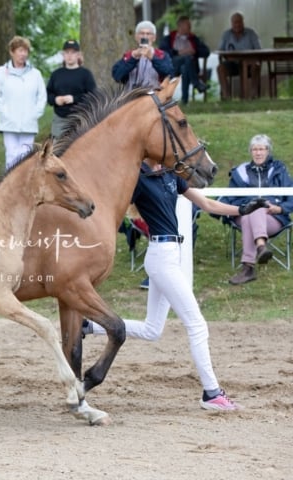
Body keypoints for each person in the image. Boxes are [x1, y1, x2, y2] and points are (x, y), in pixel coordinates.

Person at [83, 158, 268, 411]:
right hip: (161, 256)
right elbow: (114, 208)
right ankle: (212, 393)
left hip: (171, 254)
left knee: (152, 330)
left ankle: (88, 325)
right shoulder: (139, 178)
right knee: (197, 325)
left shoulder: (172, 175)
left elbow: (205, 203)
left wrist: (242, 210)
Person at [219, 134, 293, 285]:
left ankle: (248, 269)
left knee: (257, 209)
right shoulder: (240, 172)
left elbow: (291, 196)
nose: (258, 153)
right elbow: (231, 197)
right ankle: (260, 247)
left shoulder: (279, 170)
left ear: (268, 151)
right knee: (254, 209)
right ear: (250, 152)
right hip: (245, 213)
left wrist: (279, 209)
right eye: (255, 149)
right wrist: (247, 206)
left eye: (262, 149)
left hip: (273, 218)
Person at [0, 35, 47, 169]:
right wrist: (5, 112)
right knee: (11, 156)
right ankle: (9, 186)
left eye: (25, 51)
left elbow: (42, 97)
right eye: (20, 50)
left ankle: (25, 186)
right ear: (12, 52)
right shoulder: (1, 72)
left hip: (29, 123)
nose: (23, 54)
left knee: (26, 156)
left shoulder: (35, 74)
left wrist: (35, 114)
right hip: (9, 123)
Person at [46, 39, 97, 138]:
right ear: (63, 55)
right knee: (57, 151)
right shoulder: (56, 74)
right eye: (67, 52)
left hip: (80, 119)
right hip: (59, 120)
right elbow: (48, 94)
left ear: (78, 55)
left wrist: (74, 99)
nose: (69, 55)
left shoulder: (86, 74)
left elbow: (93, 96)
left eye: (73, 52)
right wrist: (56, 100)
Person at [159, 15, 210, 105]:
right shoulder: (170, 38)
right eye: (188, 25)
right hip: (173, 67)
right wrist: (179, 52)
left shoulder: (193, 38)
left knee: (185, 68)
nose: (190, 27)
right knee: (186, 58)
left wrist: (195, 51)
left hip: (191, 68)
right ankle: (197, 83)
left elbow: (206, 52)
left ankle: (185, 101)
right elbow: (163, 52)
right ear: (180, 26)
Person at [112, 20, 174, 91]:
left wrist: (152, 58)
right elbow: (117, 76)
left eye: (148, 34)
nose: (145, 36)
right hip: (131, 96)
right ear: (136, 37)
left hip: (154, 97)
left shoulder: (161, 55)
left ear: (154, 38)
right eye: (142, 33)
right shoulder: (129, 55)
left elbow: (170, 74)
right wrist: (133, 58)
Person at [217, 12, 262, 100]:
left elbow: (258, 49)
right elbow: (220, 50)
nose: (237, 24)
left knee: (256, 66)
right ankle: (226, 96)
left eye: (239, 22)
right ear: (231, 23)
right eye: (235, 22)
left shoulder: (251, 33)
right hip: (232, 64)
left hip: (249, 64)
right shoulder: (226, 34)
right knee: (220, 68)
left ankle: (253, 94)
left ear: (243, 22)